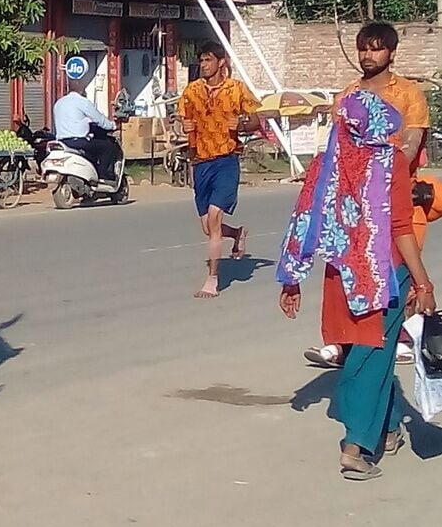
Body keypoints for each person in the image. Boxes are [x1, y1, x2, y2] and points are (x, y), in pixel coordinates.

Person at [278, 89, 435, 479]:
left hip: (340, 279)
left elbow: (304, 221)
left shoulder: (326, 163)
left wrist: (292, 279)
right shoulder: (390, 161)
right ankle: (356, 447)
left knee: (363, 357)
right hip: (384, 278)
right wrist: (424, 282)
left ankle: (390, 428)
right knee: (371, 362)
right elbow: (400, 227)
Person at [304, 24, 430, 369]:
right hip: (350, 208)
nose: (367, 56)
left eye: (375, 49)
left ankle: (399, 336)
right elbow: (335, 150)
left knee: (395, 268)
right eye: (363, 49)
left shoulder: (408, 94)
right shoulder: (346, 97)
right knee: (343, 270)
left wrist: (377, 173)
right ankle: (342, 339)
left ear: (391, 52)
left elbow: (410, 146)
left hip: (396, 198)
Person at [178, 48, 262, 297]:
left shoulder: (236, 89)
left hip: (226, 160)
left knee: (215, 217)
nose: (203, 65)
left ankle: (212, 280)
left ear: (221, 62)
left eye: (208, 60)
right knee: (207, 226)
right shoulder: (192, 90)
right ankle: (237, 233)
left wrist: (243, 124)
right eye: (201, 60)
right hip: (201, 161)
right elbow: (181, 120)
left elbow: (256, 120)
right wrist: (183, 125)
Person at [52, 77, 120, 183]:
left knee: (94, 146)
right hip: (78, 142)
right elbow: (100, 120)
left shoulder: (58, 103)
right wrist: (113, 126)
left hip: (61, 142)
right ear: (81, 89)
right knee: (108, 147)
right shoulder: (83, 102)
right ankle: (103, 175)